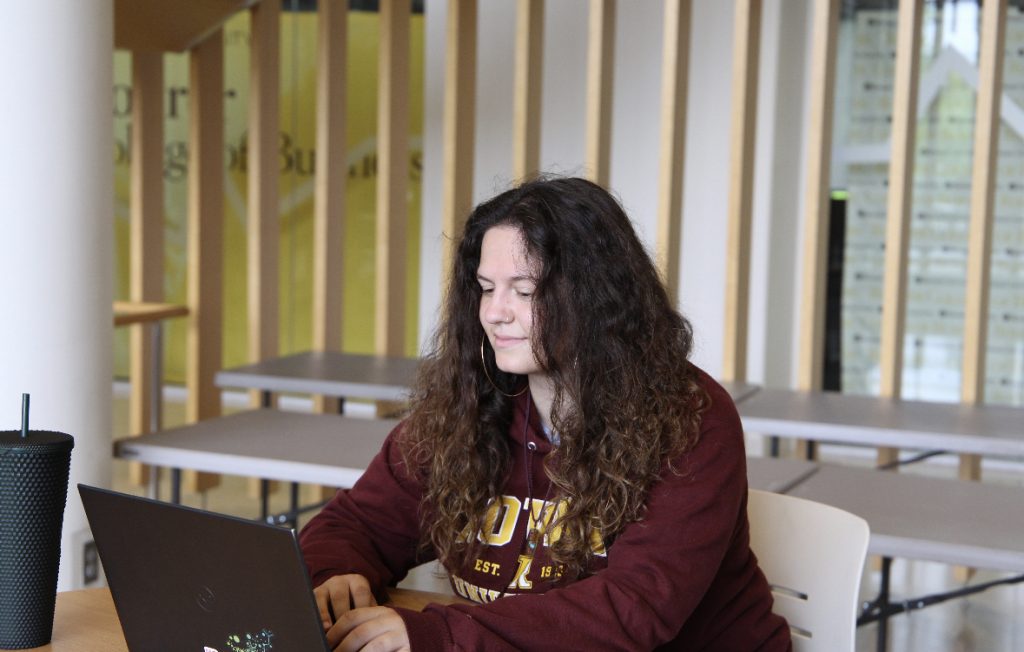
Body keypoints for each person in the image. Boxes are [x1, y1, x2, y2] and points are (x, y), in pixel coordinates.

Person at [299, 176, 791, 651]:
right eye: (486, 288)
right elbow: (356, 523)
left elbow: (632, 610)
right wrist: (336, 574)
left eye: (525, 290)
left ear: (595, 298)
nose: (495, 312)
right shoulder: (468, 406)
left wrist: (440, 636)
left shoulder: (691, 417)